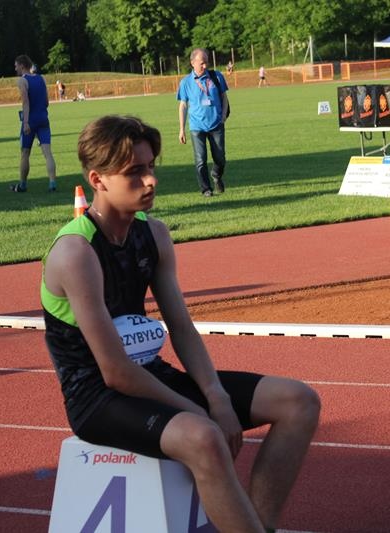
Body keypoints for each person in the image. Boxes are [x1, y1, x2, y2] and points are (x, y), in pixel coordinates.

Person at [41, 114, 320, 533]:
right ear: (97, 180)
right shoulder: (76, 253)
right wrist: (199, 411)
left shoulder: (153, 234)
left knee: (299, 401)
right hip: (97, 397)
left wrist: (216, 397)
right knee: (203, 437)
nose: (150, 180)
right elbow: (115, 372)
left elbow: (182, 328)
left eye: (151, 166)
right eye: (134, 172)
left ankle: (258, 526)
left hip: (151, 377)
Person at [177, 48, 230, 197]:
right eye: (202, 63)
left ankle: (216, 175)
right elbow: (183, 105)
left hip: (216, 124)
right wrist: (182, 129)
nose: (205, 66)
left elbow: (224, 97)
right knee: (200, 160)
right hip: (197, 127)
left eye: (206, 62)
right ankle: (206, 189)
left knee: (220, 158)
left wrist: (223, 116)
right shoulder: (186, 82)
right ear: (192, 63)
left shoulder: (216, 76)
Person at [12, 54, 57, 192]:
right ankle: (52, 183)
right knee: (48, 153)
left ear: (22, 65)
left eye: (16, 66)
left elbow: (25, 102)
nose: (15, 68)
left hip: (30, 121)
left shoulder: (22, 81)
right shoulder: (41, 78)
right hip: (43, 119)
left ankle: (23, 184)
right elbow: (46, 102)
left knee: (25, 153)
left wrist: (26, 122)